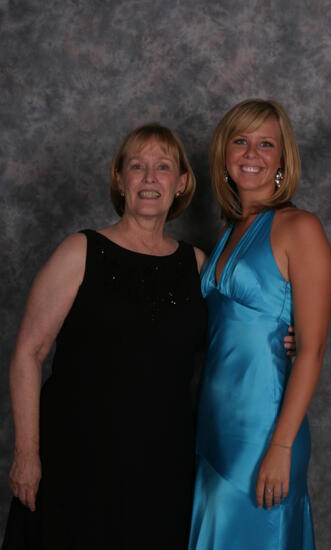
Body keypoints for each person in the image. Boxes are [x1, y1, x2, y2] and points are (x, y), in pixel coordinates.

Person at [1, 123, 208, 549]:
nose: (150, 178)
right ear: (120, 179)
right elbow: (28, 353)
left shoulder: (199, 266)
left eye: (163, 167)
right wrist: (27, 454)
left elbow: (234, 341)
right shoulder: (80, 251)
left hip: (161, 469)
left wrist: (283, 339)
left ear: (182, 182)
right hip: (76, 462)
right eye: (138, 166)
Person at [189, 99, 331, 549]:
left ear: (282, 158)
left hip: (264, 430)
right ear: (225, 154)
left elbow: (310, 349)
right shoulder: (229, 232)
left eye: (265, 143)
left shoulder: (300, 227)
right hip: (213, 426)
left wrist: (281, 446)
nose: (252, 154)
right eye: (241, 141)